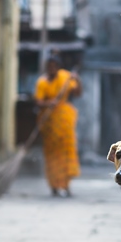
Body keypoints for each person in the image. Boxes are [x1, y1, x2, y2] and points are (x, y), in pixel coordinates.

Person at [34, 54, 82, 197]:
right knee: (52, 154)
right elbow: (38, 101)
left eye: (54, 66)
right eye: (49, 66)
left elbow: (78, 93)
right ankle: (54, 186)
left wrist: (77, 79)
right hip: (49, 123)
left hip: (65, 121)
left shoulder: (65, 77)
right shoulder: (42, 82)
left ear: (58, 67)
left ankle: (66, 186)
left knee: (66, 153)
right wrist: (49, 103)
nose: (51, 69)